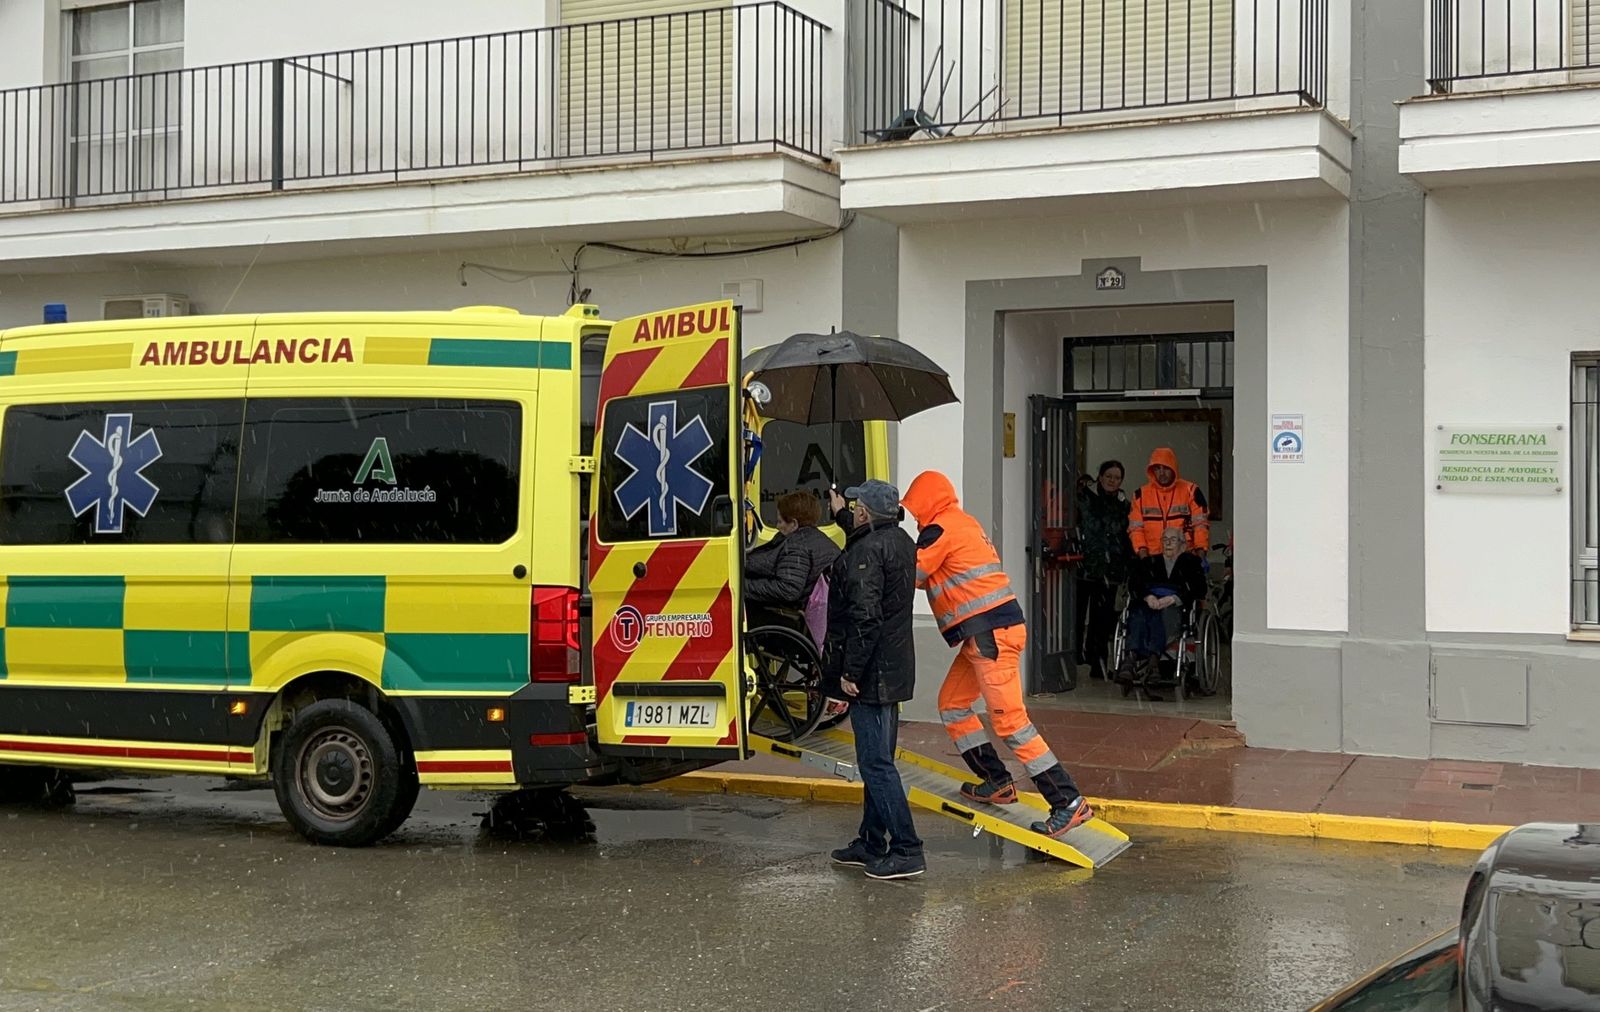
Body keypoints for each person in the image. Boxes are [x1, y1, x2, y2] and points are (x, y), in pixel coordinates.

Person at [900, 471, 1095, 839]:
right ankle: (996, 780)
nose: (913, 515)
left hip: (989, 634)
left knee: (1010, 722)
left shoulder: (940, 529)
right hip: (988, 632)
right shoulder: (962, 523)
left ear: (926, 501)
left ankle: (1068, 802)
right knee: (953, 705)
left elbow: (914, 572)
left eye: (914, 507)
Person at [821, 479, 924, 880]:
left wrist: (850, 672)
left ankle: (907, 848)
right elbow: (870, 539)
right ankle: (870, 841)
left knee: (876, 764)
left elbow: (866, 616)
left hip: (873, 673)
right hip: (893, 666)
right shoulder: (897, 538)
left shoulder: (866, 551)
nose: (853, 510)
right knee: (877, 760)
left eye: (855, 505)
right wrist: (839, 513)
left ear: (864, 512)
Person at [1118, 527, 1209, 698]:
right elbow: (1135, 584)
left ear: (1183, 545)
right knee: (1137, 615)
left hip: (1175, 606)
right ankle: (1130, 660)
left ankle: (1153, 660)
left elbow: (1199, 589)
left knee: (1160, 617)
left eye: (1173, 540)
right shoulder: (1150, 562)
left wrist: (1174, 599)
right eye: (1165, 539)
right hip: (1149, 602)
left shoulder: (1191, 563)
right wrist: (1147, 596)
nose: (1168, 543)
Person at [744, 490, 840, 631]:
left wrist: (742, 586)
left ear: (794, 524)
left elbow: (788, 590)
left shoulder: (797, 547)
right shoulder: (818, 540)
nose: (777, 526)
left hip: (794, 618)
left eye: (780, 521)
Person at [1076, 460, 1133, 681]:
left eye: (1117, 478)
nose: (1112, 481)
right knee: (1078, 617)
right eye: (1108, 476)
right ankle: (1074, 659)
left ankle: (1097, 664)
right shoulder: (1083, 499)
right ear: (1100, 477)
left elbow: (1127, 537)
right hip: (1084, 567)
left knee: (1102, 620)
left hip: (1111, 571)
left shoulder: (1124, 505)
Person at [1129, 447, 1210, 558]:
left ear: (1173, 468)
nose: (1162, 473)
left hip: (1184, 557)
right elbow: (1136, 529)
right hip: (1153, 558)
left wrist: (1201, 556)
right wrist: (1144, 558)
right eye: (1157, 468)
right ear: (1152, 471)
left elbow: (1200, 525)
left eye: (1166, 468)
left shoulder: (1191, 491)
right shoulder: (1140, 495)